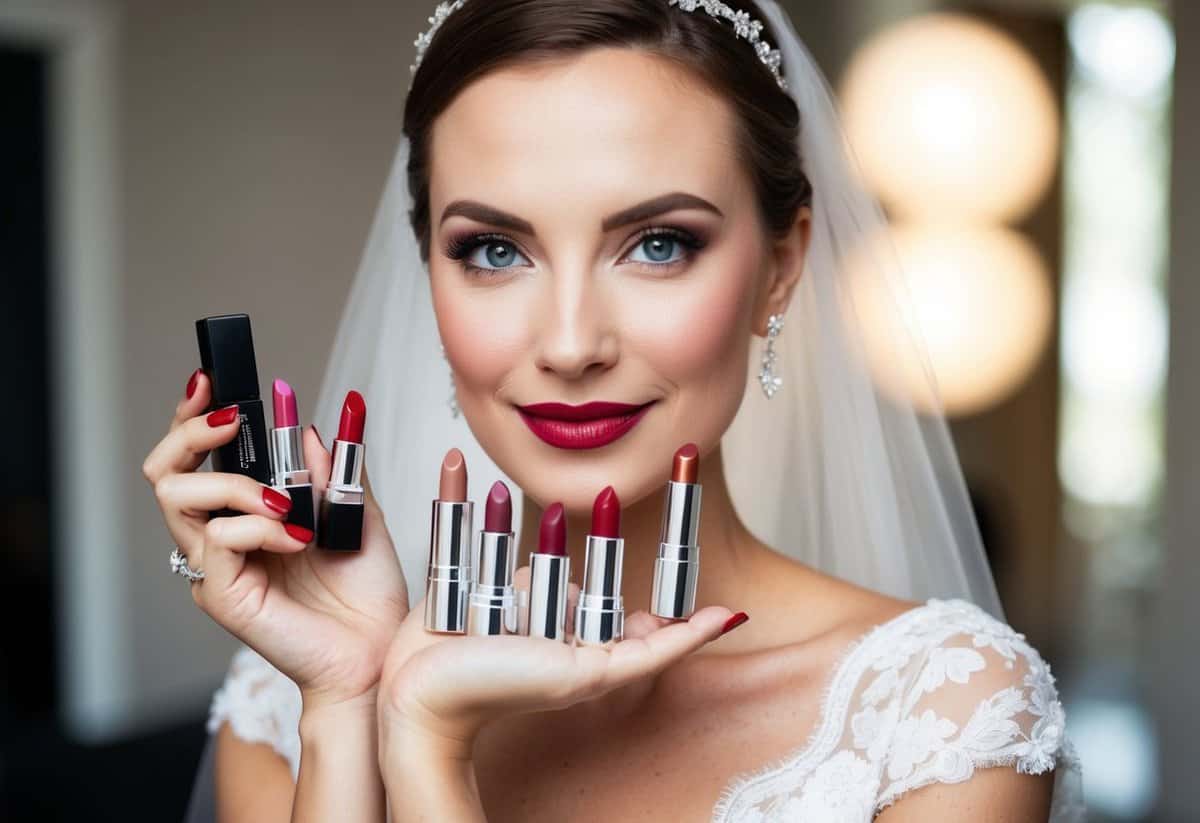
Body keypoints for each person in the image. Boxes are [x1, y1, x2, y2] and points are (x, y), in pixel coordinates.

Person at [144, 1, 1083, 820]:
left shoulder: (943, 715)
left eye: (659, 244)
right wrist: (355, 704)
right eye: (494, 251)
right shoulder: (290, 704)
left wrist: (428, 752)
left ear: (782, 267)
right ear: (427, 272)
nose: (569, 341)